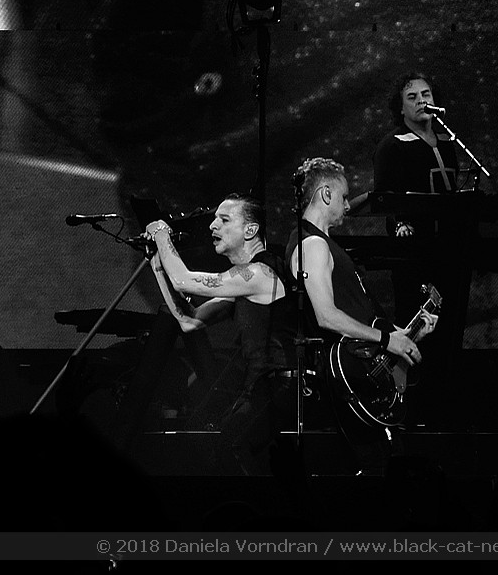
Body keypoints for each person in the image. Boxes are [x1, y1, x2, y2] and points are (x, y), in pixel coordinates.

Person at [286, 157, 437, 475]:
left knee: (385, 463)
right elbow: (326, 316)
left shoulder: (322, 244)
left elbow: (358, 313)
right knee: (375, 466)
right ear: (326, 194)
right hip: (346, 374)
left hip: (362, 367)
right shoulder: (312, 244)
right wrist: (387, 340)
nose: (347, 205)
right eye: (343, 197)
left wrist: (406, 334)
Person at [142, 192, 297, 475]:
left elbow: (184, 281)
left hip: (279, 387)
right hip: (264, 387)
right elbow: (190, 321)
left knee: (230, 446)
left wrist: (161, 233)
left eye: (224, 220)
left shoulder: (260, 273)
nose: (212, 226)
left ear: (250, 230)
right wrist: (157, 265)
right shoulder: (245, 282)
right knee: (222, 446)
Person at [373, 72, 471, 406]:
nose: (421, 101)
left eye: (425, 94)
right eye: (412, 97)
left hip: (449, 249)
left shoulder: (447, 143)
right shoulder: (392, 146)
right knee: (414, 320)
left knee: (449, 322)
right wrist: (401, 224)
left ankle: (444, 394)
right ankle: (406, 397)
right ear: (400, 108)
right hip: (413, 251)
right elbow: (385, 198)